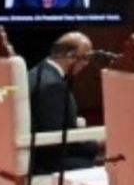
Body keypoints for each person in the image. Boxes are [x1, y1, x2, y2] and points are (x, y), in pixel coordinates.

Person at [28, 32, 102, 174]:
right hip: (48, 163)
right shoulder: (53, 86)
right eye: (86, 58)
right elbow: (56, 140)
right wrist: (96, 143)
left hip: (38, 152)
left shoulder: (37, 71)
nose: (86, 64)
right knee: (115, 162)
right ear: (70, 55)